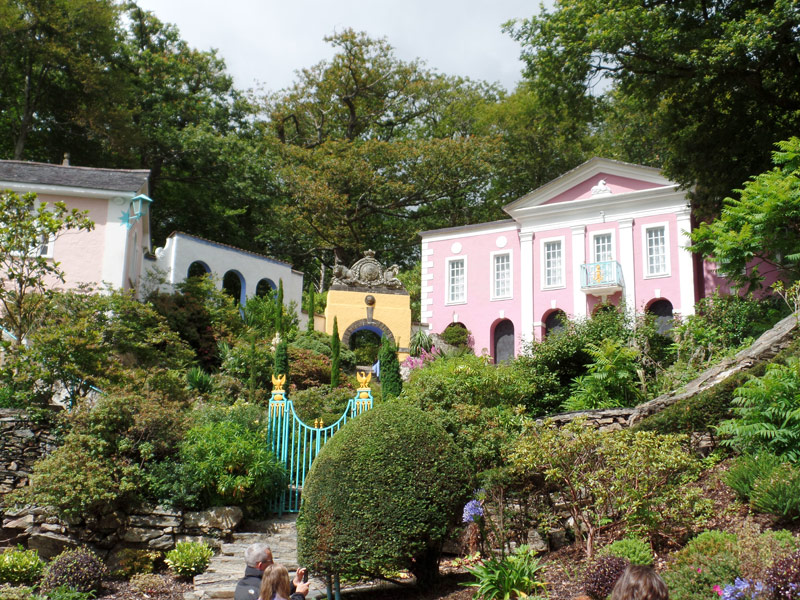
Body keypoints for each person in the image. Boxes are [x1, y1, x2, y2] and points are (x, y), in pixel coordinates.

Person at [234, 544, 308, 600]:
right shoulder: (262, 588)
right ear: (260, 565)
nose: (273, 563)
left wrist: (293, 584)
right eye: (271, 561)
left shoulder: (241, 585)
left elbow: (278, 594)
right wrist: (299, 595)